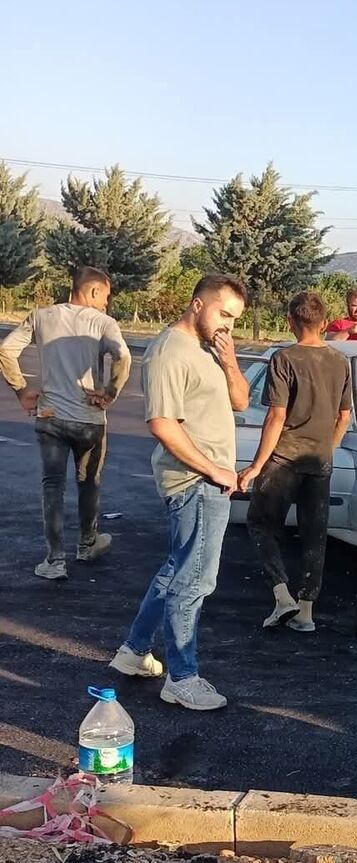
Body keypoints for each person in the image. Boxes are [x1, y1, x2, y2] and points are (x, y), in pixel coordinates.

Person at [109, 275, 249, 710]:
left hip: (208, 479)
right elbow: (162, 424)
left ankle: (133, 652)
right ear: (196, 304)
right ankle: (182, 677)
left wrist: (230, 362)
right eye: (223, 313)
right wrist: (214, 471)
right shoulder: (170, 351)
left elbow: (241, 402)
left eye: (235, 319)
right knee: (195, 581)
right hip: (195, 482)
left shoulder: (211, 347)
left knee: (176, 570)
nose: (228, 325)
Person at [0, 266, 132, 580]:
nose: (106, 304)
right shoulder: (102, 323)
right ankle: (87, 543)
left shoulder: (40, 315)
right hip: (88, 418)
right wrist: (110, 392)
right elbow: (123, 357)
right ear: (95, 291)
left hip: (50, 417)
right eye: (106, 297)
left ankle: (54, 560)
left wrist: (21, 390)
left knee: (52, 486)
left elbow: (6, 350)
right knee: (89, 484)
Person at [239, 290, 353, 633]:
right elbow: (344, 417)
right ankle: (305, 614)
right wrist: (326, 450)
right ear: (324, 323)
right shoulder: (339, 361)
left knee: (260, 523)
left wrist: (257, 466)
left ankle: (280, 595)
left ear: (291, 321)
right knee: (314, 535)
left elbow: (276, 416)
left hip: (284, 459)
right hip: (319, 461)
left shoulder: (284, 359)